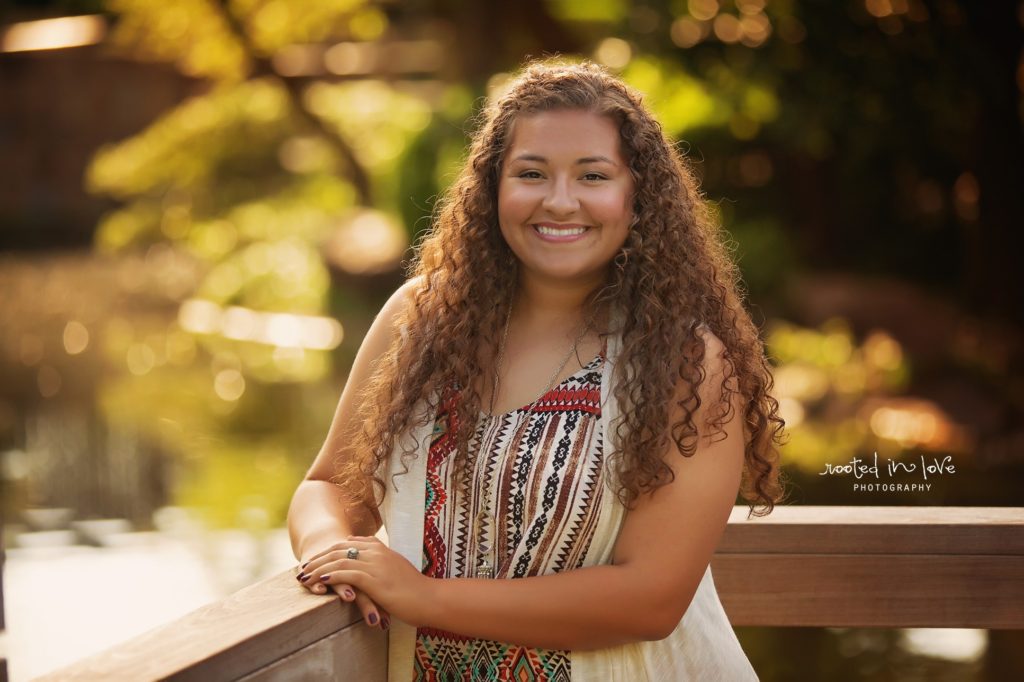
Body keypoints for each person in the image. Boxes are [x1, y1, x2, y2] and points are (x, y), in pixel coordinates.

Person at [288, 59, 786, 681]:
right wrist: (333, 553)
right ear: (494, 186)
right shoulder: (421, 319)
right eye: (531, 173)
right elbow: (332, 487)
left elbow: (651, 600)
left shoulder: (683, 361)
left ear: (638, 198)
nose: (559, 200)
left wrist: (421, 597)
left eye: (593, 175)